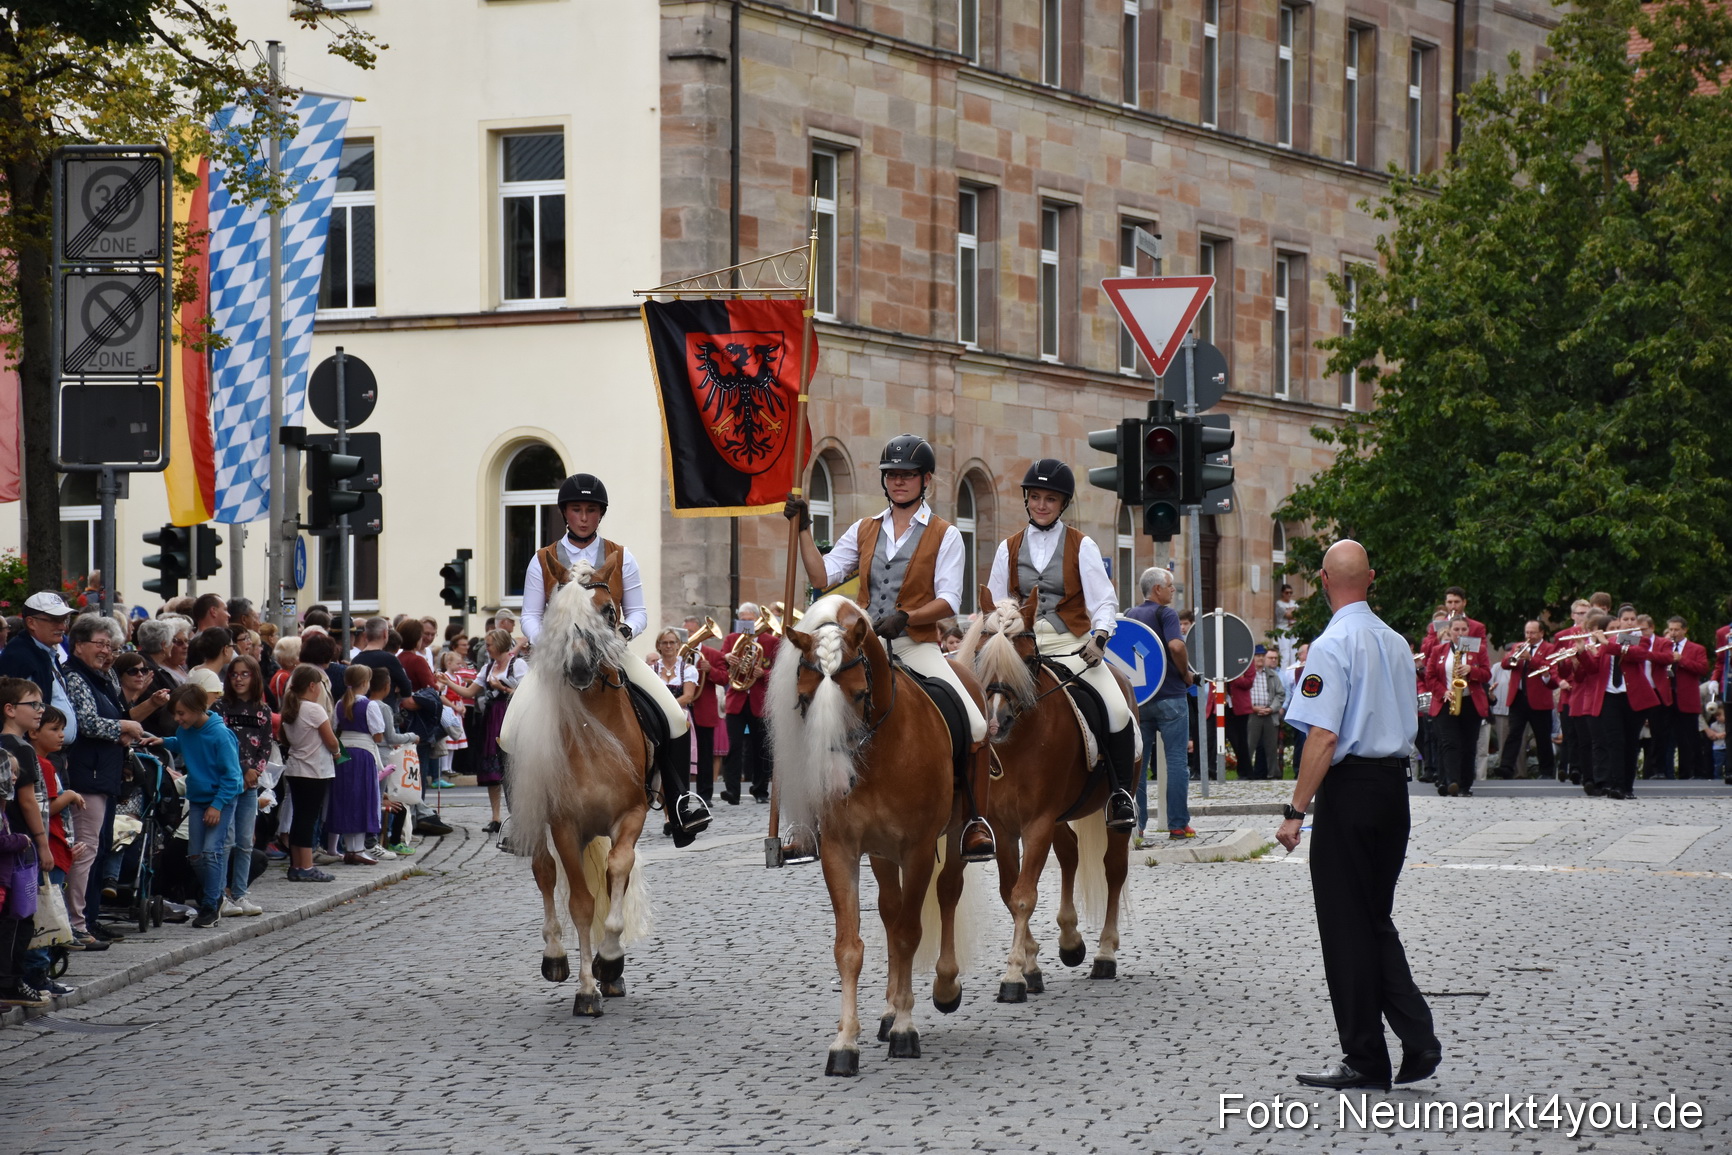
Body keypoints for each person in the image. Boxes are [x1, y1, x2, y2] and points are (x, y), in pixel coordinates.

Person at [785, 434, 995, 861]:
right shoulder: (866, 529)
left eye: (907, 475)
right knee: (810, 704)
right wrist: (804, 529)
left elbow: (950, 599)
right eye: (892, 475)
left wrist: (909, 616)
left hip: (916, 644)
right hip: (862, 646)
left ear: (926, 480)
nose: (898, 482)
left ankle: (973, 819)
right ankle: (806, 822)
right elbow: (822, 575)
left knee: (973, 722)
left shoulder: (945, 534)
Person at [1279, 539, 1439, 1093]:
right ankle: (1416, 1037)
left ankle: (1366, 1057)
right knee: (1373, 918)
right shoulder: (1396, 642)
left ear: (1323, 580)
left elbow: (1323, 736)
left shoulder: (1330, 644)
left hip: (1349, 793)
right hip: (1394, 791)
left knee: (1347, 929)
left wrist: (1294, 811)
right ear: (1370, 577)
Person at [517, 472, 707, 842]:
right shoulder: (543, 559)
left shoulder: (622, 556)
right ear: (565, 514)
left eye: (590, 510)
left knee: (672, 715)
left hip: (610, 656)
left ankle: (682, 801)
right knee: (512, 729)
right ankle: (518, 819)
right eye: (576, 510)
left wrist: (622, 633)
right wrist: (549, 641)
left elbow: (637, 612)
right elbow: (528, 614)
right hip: (558, 660)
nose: (583, 517)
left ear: (600, 514)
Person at [984, 459, 1138, 830]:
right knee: (978, 708)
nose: (1041, 505)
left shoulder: (1081, 545)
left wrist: (1100, 637)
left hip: (1070, 642)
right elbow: (996, 598)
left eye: (1049, 499)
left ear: (1062, 503)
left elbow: (1103, 600)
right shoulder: (1008, 548)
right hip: (1019, 646)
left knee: (1117, 709)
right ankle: (969, 801)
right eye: (1034, 497)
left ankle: (1119, 795)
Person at [61, 614, 145, 940]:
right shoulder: (76, 677)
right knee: (85, 850)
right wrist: (123, 728)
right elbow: (87, 722)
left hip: (103, 772)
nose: (106, 651)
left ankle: (88, 920)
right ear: (79, 644)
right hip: (88, 774)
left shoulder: (100, 676)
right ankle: (76, 925)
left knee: (97, 849)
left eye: (109, 645)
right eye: (100, 644)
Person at [156, 684, 244, 928]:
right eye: (176, 713)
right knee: (195, 856)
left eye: (182, 713)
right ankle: (216, 895)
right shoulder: (187, 730)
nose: (177, 718)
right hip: (198, 798)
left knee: (211, 851)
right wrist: (162, 741)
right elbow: (182, 742)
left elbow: (232, 777)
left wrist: (217, 806)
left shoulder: (220, 735)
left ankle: (210, 905)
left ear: (198, 709)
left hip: (221, 799)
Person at [1126, 568, 1196, 843]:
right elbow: (1177, 647)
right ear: (1157, 589)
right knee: (1177, 761)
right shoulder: (1166, 614)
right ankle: (1178, 825)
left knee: (1139, 766)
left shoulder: (1131, 615)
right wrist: (1186, 674)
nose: (1173, 591)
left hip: (1140, 700)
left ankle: (1138, 826)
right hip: (1170, 697)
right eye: (1170, 587)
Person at [441, 629, 522, 834]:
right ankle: (495, 817)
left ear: (502, 644)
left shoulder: (518, 665)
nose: (486, 648)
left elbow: (527, 693)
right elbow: (469, 692)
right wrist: (447, 682)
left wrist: (503, 688)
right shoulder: (488, 667)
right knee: (492, 770)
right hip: (492, 716)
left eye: (489, 644)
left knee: (513, 768)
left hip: (512, 715)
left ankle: (519, 817)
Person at [215, 655, 271, 916]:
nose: (238, 679)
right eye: (234, 674)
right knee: (225, 840)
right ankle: (219, 893)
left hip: (250, 785)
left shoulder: (263, 711)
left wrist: (255, 772)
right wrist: (242, 770)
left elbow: (266, 746)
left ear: (255, 677)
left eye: (244, 674)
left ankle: (240, 893)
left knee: (245, 840)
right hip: (227, 781)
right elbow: (220, 745)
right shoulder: (221, 708)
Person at [279, 665, 337, 882]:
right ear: (312, 686)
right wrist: (337, 751)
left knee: (299, 817)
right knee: (308, 818)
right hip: (314, 770)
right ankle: (306, 865)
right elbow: (330, 740)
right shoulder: (314, 709)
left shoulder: (291, 708)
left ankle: (295, 864)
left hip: (295, 768)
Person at [0, 593, 80, 746]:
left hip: (51, 751)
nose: (63, 626)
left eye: (65, 620)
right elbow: (17, 712)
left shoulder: (46, 651)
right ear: (31, 622)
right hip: (33, 752)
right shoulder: (19, 657)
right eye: (55, 620)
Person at [1423, 617, 1491, 796]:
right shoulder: (1439, 650)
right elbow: (1429, 677)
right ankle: (1451, 781)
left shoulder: (1479, 649)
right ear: (1450, 631)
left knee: (1469, 745)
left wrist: (1471, 670)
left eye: (1463, 630)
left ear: (1469, 631)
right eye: (1456, 630)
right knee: (1449, 742)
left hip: (1470, 702)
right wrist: (1443, 692)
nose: (1460, 633)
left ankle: (1465, 785)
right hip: (1446, 701)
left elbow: (1486, 674)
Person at [718, 604, 777, 805]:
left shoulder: (771, 642)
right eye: (742, 620)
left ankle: (760, 790)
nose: (747, 624)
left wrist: (765, 674)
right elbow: (721, 662)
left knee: (761, 747)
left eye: (750, 620)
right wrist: (726, 657)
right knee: (733, 746)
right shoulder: (731, 640)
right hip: (737, 699)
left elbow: (780, 672)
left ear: (758, 620)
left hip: (760, 702)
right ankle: (732, 791)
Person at [327, 666, 385, 866]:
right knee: (363, 797)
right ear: (366, 683)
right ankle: (358, 849)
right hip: (363, 752)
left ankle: (350, 848)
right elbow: (378, 734)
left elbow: (334, 728)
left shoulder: (340, 704)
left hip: (343, 752)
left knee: (347, 798)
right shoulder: (370, 705)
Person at [650, 628, 701, 829]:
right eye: (665, 643)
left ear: (678, 646)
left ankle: (680, 811)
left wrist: (665, 706)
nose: (669, 646)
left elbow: (688, 696)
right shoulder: (652, 669)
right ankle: (668, 816)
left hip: (680, 719)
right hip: (657, 722)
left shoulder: (687, 669)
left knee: (678, 770)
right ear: (659, 646)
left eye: (672, 642)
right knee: (661, 769)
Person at [1649, 616, 1711, 780]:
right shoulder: (1663, 646)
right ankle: (1659, 770)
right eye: (1670, 629)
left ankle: (1691, 772)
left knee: (1688, 737)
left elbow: (1703, 668)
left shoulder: (1696, 648)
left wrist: (1681, 660)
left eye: (1676, 630)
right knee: (1661, 735)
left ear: (1684, 630)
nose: (1673, 633)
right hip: (1666, 696)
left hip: (1685, 697)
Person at [1497, 621, 1556, 780]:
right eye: (1527, 632)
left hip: (1539, 699)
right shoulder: (1519, 645)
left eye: (1533, 633)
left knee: (1542, 736)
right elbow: (1504, 665)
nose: (1529, 636)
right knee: (1514, 734)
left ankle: (1546, 771)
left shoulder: (1549, 649)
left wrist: (1531, 658)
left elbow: (1549, 668)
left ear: (1541, 633)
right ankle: (1506, 767)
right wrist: (1512, 655)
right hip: (1518, 697)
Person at [680, 614, 723, 805]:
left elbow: (725, 678)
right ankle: (683, 793)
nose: (688, 636)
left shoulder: (712, 654)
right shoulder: (678, 653)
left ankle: (705, 795)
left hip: (703, 709)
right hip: (683, 708)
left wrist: (710, 670)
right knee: (683, 753)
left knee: (705, 754)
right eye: (685, 632)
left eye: (691, 632)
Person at [1245, 647, 1286, 780]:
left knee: (1271, 746)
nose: (1260, 658)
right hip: (1252, 713)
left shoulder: (1272, 675)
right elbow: (1241, 694)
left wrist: (1271, 708)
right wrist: (1252, 707)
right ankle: (1246, 773)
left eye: (1263, 655)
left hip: (1270, 714)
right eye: (1258, 656)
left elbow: (1281, 694)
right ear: (1253, 658)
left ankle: (1273, 774)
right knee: (1249, 745)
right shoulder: (1248, 674)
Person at [184, 628, 235, 707]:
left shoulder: (195, 670)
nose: (233, 650)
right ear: (225, 649)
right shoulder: (210, 677)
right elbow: (208, 712)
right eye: (232, 646)